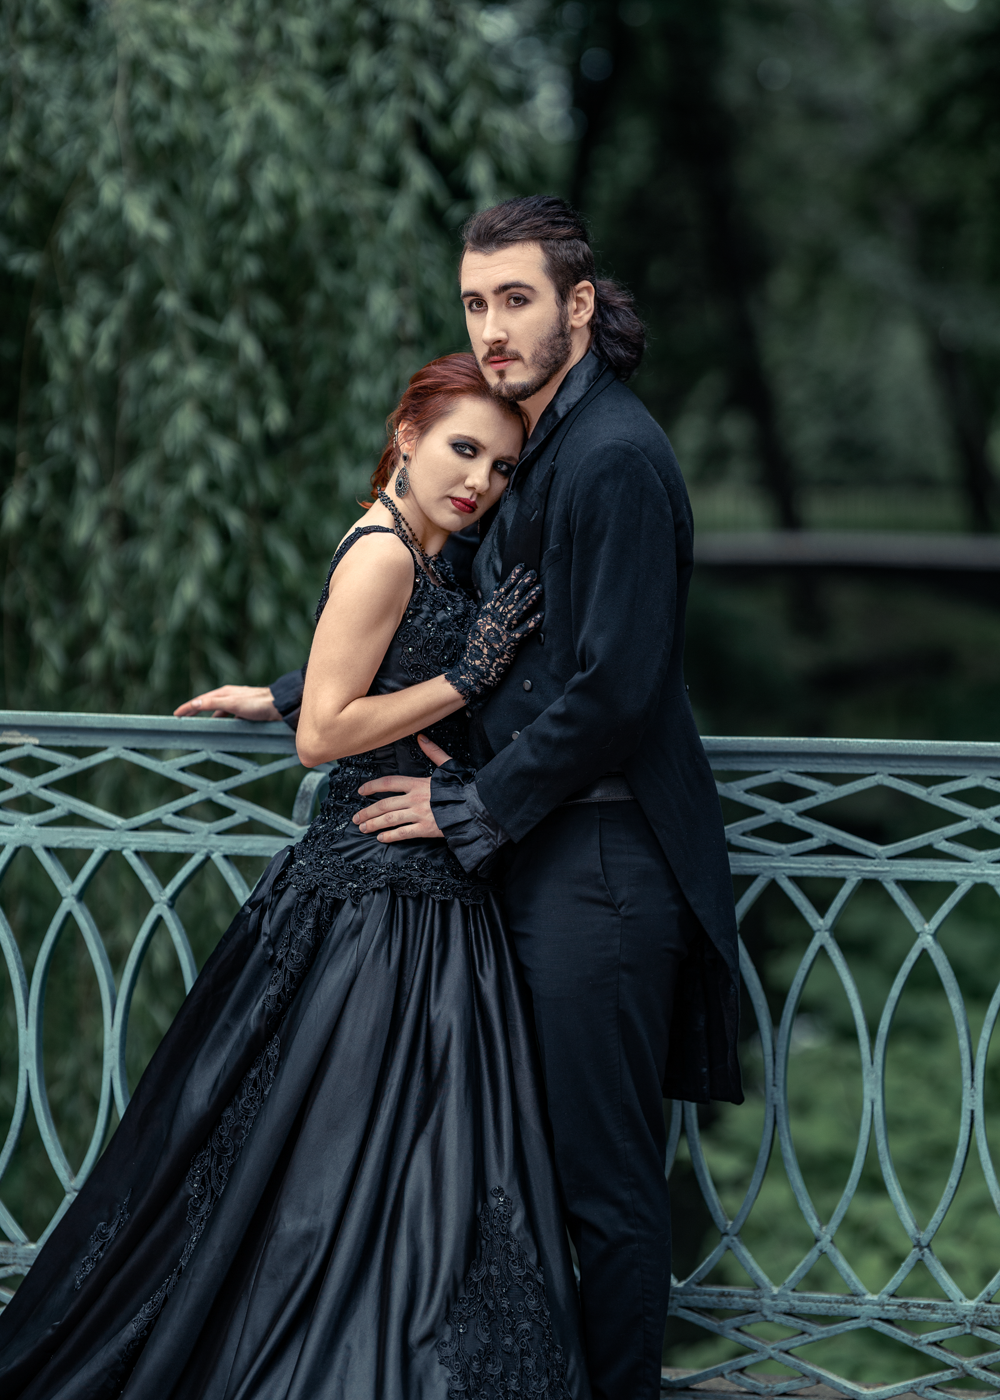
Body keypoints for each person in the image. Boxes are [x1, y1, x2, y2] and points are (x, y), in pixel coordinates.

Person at [179, 197, 743, 1400]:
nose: (492, 328)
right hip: (542, 854)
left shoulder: (614, 457)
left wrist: (465, 806)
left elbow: (615, 687)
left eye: (516, 299)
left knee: (600, 1185)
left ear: (577, 305)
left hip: (603, 864)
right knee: (522, 1172)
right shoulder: (537, 447)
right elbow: (456, 626)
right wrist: (297, 693)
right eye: (476, 302)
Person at [0, 354, 591, 1400]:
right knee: (341, 1149)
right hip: (372, 887)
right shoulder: (386, 551)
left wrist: (275, 690)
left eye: (502, 467)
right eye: (463, 450)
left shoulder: (424, 545)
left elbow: (354, 674)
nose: (480, 481)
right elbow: (327, 733)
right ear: (406, 436)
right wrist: (468, 676)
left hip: (419, 879)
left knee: (401, 1156)